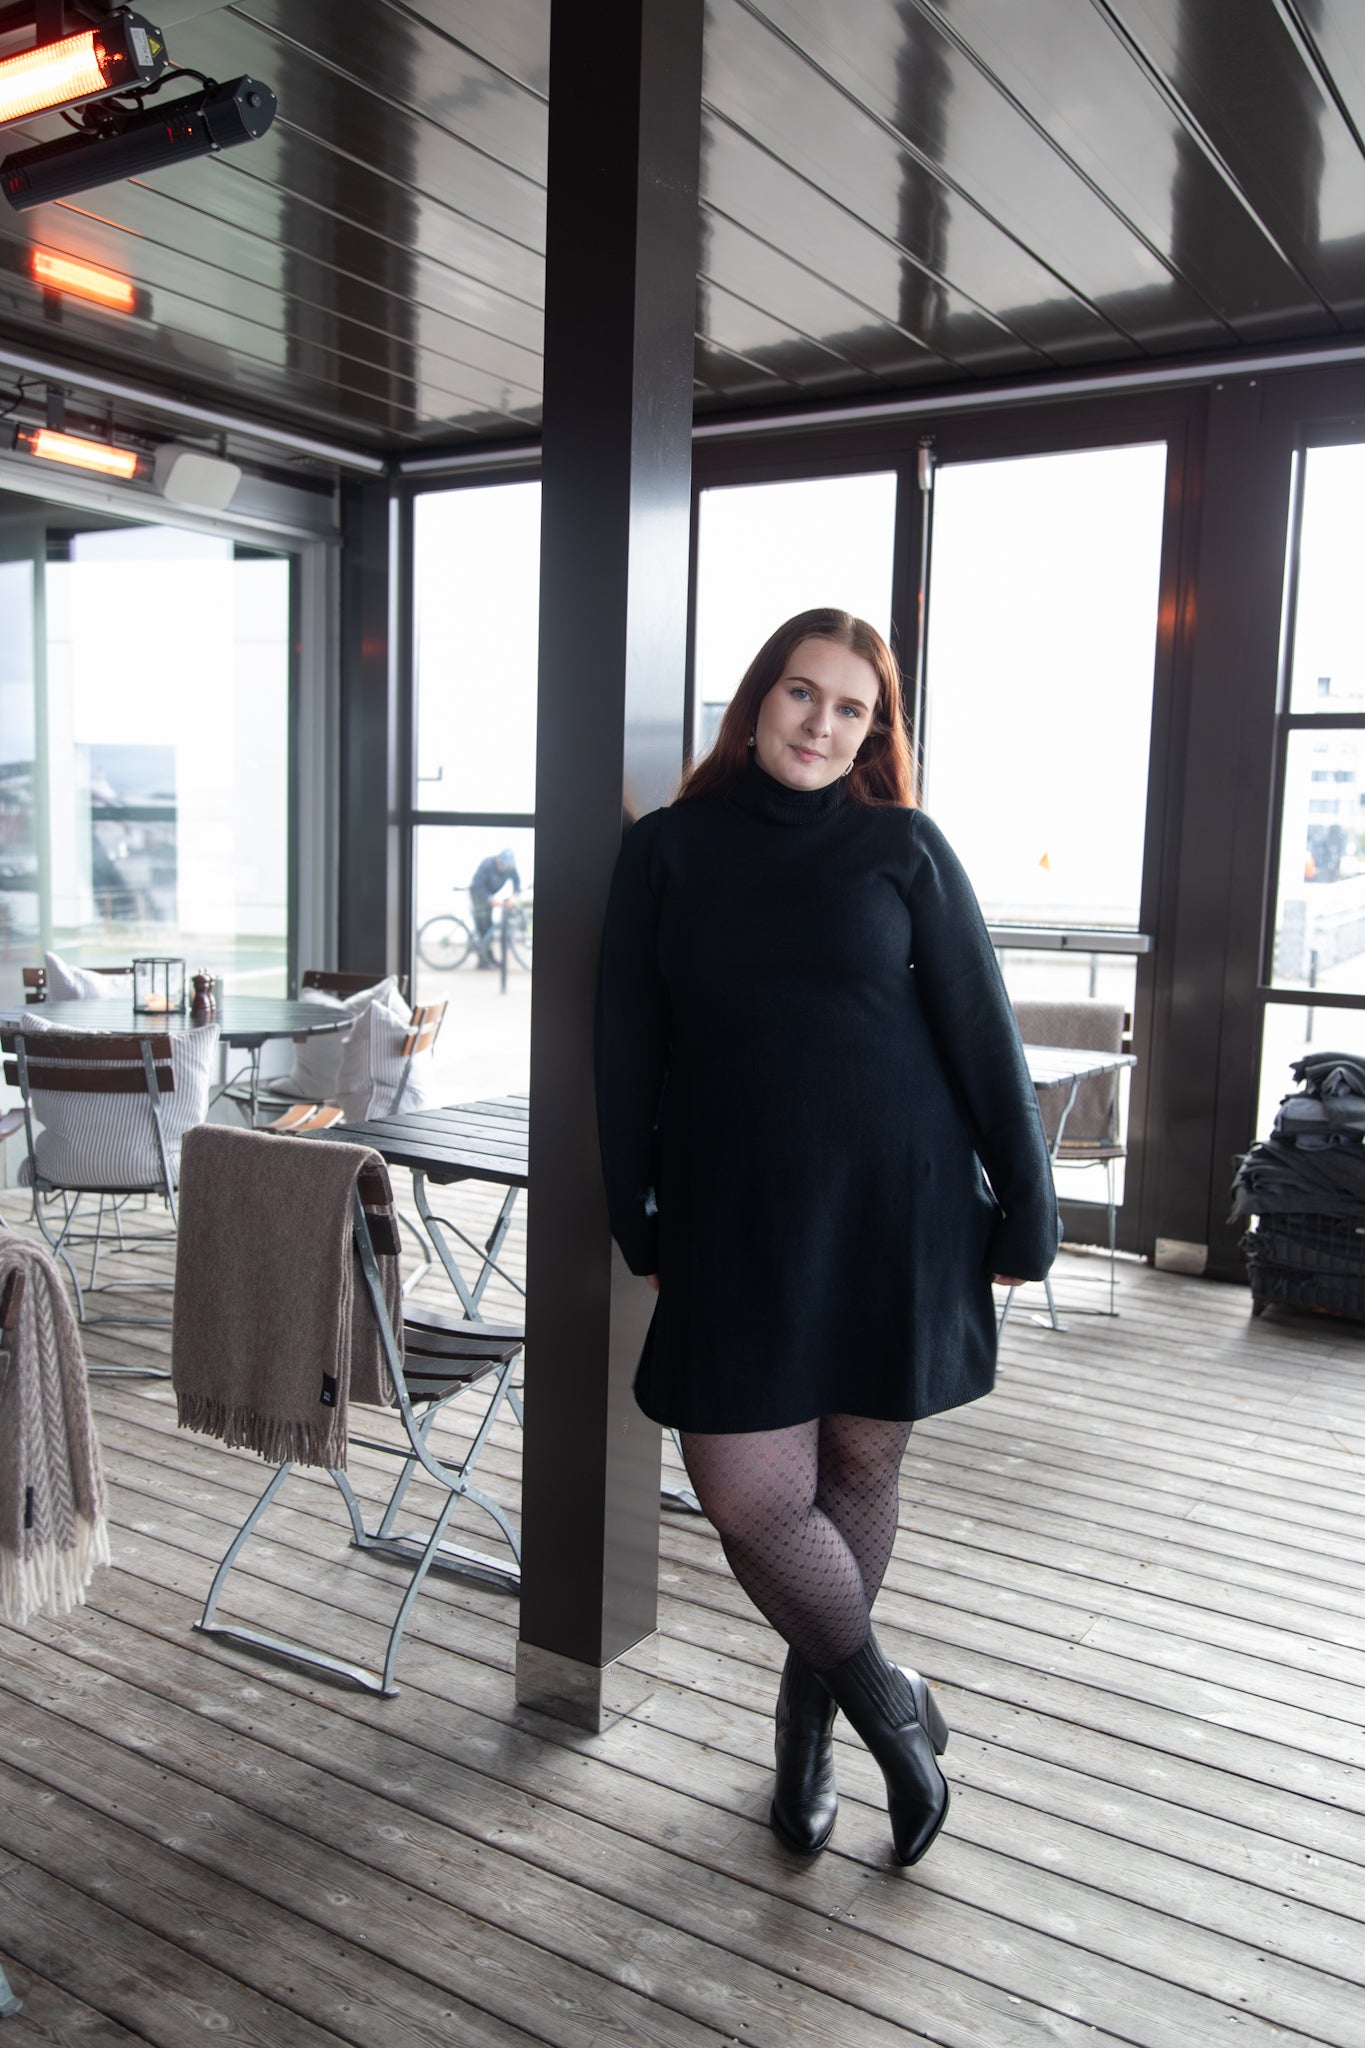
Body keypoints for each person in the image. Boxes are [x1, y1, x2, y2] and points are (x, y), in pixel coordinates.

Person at [595, 607, 1058, 1868]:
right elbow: (625, 1046)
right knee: (750, 1497)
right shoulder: (667, 850)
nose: (822, 722)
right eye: (804, 692)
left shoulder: (903, 846)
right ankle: (890, 1708)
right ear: (758, 699)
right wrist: (630, 1204)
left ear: (874, 729)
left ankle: (808, 1732)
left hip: (895, 1208)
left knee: (857, 1472)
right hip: (733, 1212)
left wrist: (1029, 1204)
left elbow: (983, 1033)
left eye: (852, 707)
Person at [469, 847, 521, 968]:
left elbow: (516, 881)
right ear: (498, 861)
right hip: (479, 894)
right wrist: (490, 899)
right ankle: (483, 961)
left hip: (490, 894)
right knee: (483, 925)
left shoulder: (509, 866)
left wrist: (515, 896)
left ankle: (490, 957)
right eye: (502, 867)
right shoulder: (487, 865)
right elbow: (477, 884)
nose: (504, 871)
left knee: (489, 927)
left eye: (506, 869)